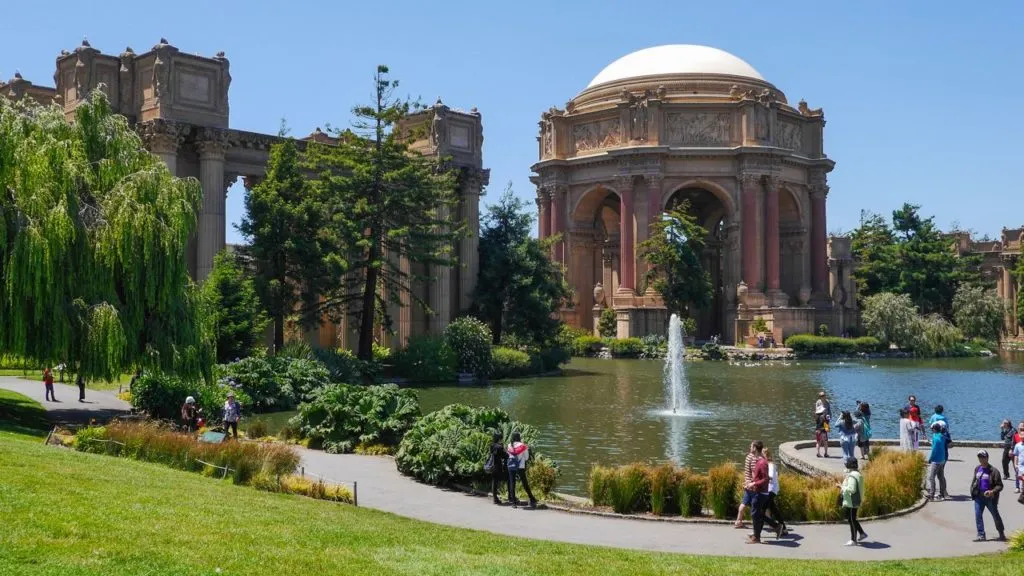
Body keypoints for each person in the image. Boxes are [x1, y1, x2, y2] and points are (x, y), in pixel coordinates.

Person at [970, 450, 1005, 542]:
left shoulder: (993, 471)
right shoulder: (977, 468)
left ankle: (1001, 533)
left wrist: (992, 491)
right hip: (978, 496)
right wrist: (973, 491)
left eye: (983, 457)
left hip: (990, 498)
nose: (981, 459)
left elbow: (1000, 485)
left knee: (995, 515)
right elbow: (975, 481)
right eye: (979, 457)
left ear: (987, 458)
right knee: (978, 515)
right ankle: (981, 535)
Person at [838, 457, 867, 546]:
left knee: (851, 519)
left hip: (851, 501)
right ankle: (862, 533)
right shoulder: (857, 474)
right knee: (852, 519)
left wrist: (841, 487)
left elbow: (852, 489)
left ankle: (853, 540)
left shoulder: (852, 476)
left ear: (849, 465)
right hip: (856, 500)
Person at [745, 440, 770, 544]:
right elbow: (759, 478)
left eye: (751, 446)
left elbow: (766, 479)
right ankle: (756, 536)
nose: (750, 448)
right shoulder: (759, 461)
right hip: (757, 492)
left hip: (761, 493)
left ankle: (756, 537)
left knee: (755, 514)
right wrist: (750, 482)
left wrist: (753, 484)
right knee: (756, 514)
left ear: (755, 448)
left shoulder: (762, 462)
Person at [506, 431, 537, 509]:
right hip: (520, 466)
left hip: (511, 466)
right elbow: (526, 458)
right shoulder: (523, 446)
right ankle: (532, 498)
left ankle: (513, 503)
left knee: (512, 483)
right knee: (524, 482)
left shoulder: (509, 445)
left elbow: (508, 455)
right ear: (519, 437)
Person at [763, 448, 787, 538]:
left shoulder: (771, 465)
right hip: (769, 490)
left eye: (763, 456)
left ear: (767, 456)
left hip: (770, 490)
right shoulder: (768, 465)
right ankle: (783, 528)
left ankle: (776, 526)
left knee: (760, 512)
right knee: (774, 510)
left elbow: (770, 477)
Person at [735, 441, 759, 528]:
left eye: (751, 446)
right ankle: (768, 524)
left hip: (747, 484)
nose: (750, 448)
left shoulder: (748, 456)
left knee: (744, 503)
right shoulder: (753, 458)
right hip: (752, 486)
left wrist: (747, 481)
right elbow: (754, 472)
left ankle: (738, 521)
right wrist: (754, 482)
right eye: (751, 446)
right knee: (761, 506)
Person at [927, 421, 949, 501]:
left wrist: (930, 459)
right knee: (941, 477)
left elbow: (934, 450)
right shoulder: (942, 436)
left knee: (931, 478)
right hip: (942, 460)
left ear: (935, 430)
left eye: (932, 429)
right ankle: (942, 494)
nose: (932, 430)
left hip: (936, 461)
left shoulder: (935, 438)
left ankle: (931, 495)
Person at [487, 431, 508, 505]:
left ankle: (495, 498)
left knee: (494, 482)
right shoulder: (500, 447)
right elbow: (505, 456)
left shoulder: (492, 445)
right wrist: (505, 449)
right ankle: (497, 498)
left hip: (493, 466)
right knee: (504, 479)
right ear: (499, 438)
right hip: (498, 466)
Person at [1013, 423, 1024, 494]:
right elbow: (1016, 455)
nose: (1022, 438)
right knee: (1021, 481)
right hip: (1020, 466)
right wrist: (1015, 464)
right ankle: (1020, 491)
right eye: (1021, 437)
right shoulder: (1017, 445)